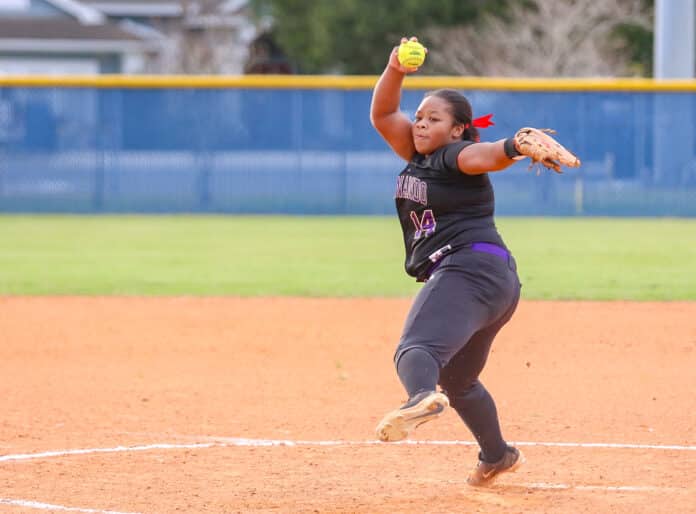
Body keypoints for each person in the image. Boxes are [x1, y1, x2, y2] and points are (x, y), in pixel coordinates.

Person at [370, 37, 529, 487]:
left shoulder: (456, 155)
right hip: (497, 279)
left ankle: (420, 397)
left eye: (433, 119)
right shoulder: (420, 158)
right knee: (460, 379)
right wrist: (394, 67)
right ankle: (497, 455)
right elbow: (383, 115)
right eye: (418, 117)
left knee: (416, 349)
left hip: (468, 269)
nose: (420, 124)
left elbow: (486, 156)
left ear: (458, 129)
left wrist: (514, 146)